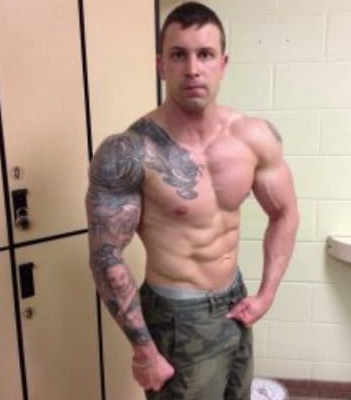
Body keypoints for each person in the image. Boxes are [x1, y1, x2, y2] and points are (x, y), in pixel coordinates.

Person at [85, 2, 299, 399]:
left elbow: (284, 212)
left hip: (235, 299)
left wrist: (267, 292)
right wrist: (145, 351)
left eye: (205, 54)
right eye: (178, 55)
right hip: (177, 316)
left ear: (223, 63)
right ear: (160, 65)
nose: (193, 69)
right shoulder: (130, 151)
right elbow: (105, 257)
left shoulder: (254, 137)